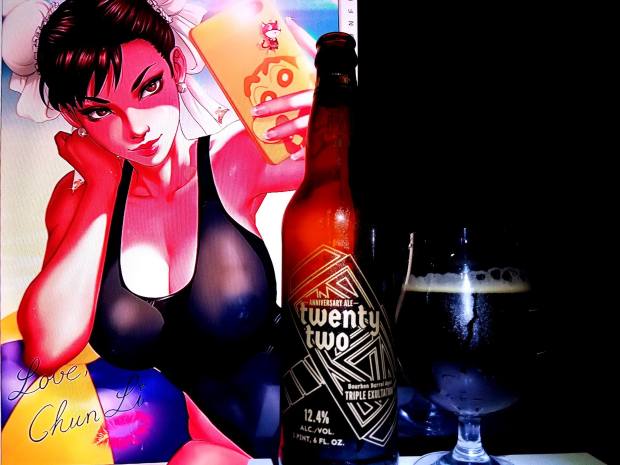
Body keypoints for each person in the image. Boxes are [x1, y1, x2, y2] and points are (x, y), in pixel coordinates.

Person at [4, 0, 312, 459]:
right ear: (72, 116)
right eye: (100, 111)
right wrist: (102, 187)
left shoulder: (233, 159)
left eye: (148, 87)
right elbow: (46, 349)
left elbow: (364, 186)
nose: (135, 127)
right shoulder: (77, 199)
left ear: (177, 67)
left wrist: (342, 115)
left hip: (319, 420)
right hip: (215, 446)